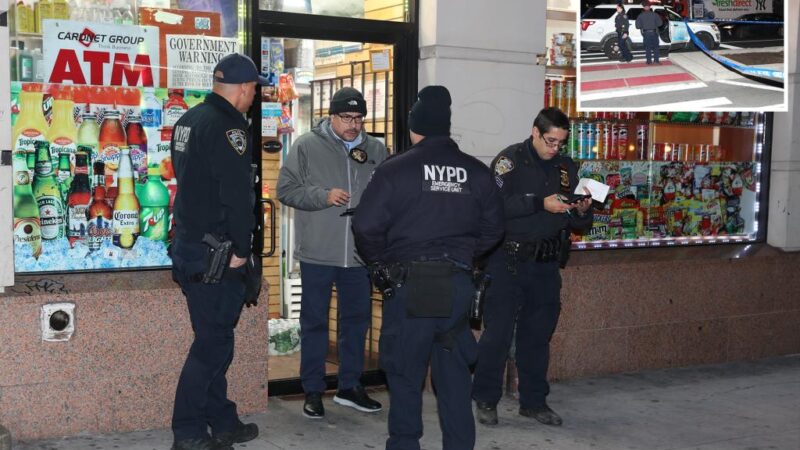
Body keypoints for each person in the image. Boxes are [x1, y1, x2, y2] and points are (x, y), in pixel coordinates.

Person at [352, 86, 505, 450]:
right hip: (457, 286)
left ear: (414, 128)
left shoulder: (394, 170)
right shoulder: (477, 172)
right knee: (453, 378)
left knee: (405, 375)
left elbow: (365, 226)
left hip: (410, 288)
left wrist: (381, 265)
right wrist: (466, 255)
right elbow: (495, 230)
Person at [472, 107, 593, 428]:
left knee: (537, 336)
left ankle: (534, 401)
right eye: (550, 141)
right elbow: (493, 205)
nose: (555, 148)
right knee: (496, 335)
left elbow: (581, 222)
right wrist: (539, 203)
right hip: (507, 262)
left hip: (545, 264)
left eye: (560, 143)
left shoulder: (566, 168)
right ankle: (485, 398)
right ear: (535, 132)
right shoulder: (509, 161)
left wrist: (581, 209)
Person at [169, 53, 264, 450]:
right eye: (255, 89)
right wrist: (242, 250)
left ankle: (222, 420)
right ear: (244, 89)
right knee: (212, 346)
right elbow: (236, 196)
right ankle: (188, 431)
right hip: (218, 254)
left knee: (214, 337)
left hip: (191, 247)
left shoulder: (188, 120)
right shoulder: (229, 127)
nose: (254, 96)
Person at [276, 87, 387, 419]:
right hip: (317, 253)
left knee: (356, 322)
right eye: (346, 118)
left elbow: (388, 195)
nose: (353, 125)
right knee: (314, 323)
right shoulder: (307, 146)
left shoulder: (377, 149)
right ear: (332, 116)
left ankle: (350, 387)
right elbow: (286, 189)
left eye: (358, 118)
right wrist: (322, 196)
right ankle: (312, 389)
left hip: (358, 255)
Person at [635, 0, 664, 65]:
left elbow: (637, 26)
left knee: (647, 47)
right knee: (656, 47)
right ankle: (656, 61)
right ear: (649, 7)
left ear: (644, 7)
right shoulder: (655, 14)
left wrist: (644, 25)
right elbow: (660, 24)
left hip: (646, 33)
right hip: (654, 33)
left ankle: (649, 61)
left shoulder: (640, 15)